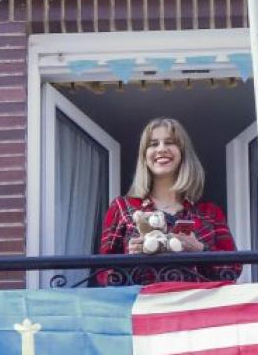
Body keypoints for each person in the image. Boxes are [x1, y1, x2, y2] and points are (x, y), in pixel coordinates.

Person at [94, 117, 240, 285]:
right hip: (144, 307)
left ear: (183, 153)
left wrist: (200, 249)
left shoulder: (210, 212)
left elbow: (233, 270)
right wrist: (130, 259)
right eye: (153, 144)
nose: (161, 149)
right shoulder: (121, 207)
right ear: (144, 156)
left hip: (197, 307)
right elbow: (102, 273)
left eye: (170, 142)